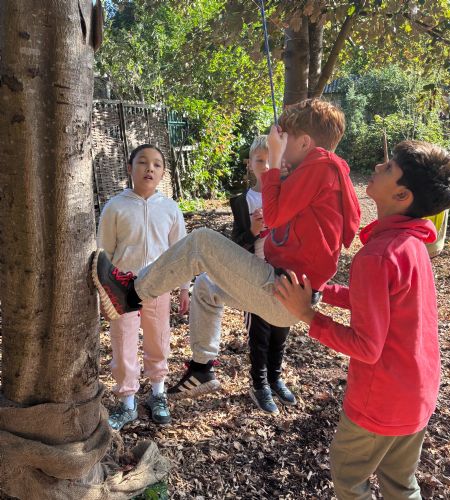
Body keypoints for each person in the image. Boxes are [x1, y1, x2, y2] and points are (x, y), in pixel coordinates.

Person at [92, 98, 360, 402]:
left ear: (305, 143)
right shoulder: (325, 172)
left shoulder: (321, 167)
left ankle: (129, 294)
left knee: (202, 242)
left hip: (282, 291)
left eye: (284, 139)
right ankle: (202, 367)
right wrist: (283, 175)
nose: (280, 145)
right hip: (287, 292)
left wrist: (274, 162)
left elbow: (273, 215)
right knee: (207, 287)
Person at [273, 140, 450, 499]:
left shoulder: (377, 256)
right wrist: (324, 291)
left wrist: (306, 314)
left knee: (349, 478)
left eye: (389, 167)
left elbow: (366, 347)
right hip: (417, 394)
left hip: (380, 402)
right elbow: (379, 303)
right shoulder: (412, 245)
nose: (378, 167)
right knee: (401, 484)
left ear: (402, 195)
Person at [97, 144, 190, 431]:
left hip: (158, 285)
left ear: (163, 173)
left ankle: (158, 393)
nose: (150, 168)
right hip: (122, 288)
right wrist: (104, 290)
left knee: (158, 339)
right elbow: (104, 252)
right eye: (142, 162)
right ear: (129, 168)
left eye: (157, 164)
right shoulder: (115, 206)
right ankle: (127, 403)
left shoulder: (170, 208)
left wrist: (184, 287)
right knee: (123, 341)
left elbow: (181, 252)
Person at [230, 135, 296, 415]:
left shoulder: (288, 194)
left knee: (280, 329)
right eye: (260, 160)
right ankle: (259, 384)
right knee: (260, 335)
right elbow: (235, 246)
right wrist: (253, 231)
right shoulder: (242, 201)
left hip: (283, 273)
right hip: (254, 273)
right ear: (250, 164)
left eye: (271, 160)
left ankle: (275, 378)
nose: (266, 165)